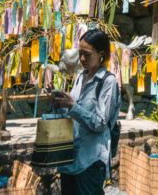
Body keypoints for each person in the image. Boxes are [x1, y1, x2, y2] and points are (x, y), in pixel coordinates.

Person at [52, 28, 120, 195]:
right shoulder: (81, 76)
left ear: (101, 54)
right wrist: (58, 103)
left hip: (91, 161)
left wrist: (72, 107)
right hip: (70, 158)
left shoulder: (108, 82)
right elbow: (71, 116)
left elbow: (99, 123)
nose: (82, 59)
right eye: (80, 53)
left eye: (87, 54)